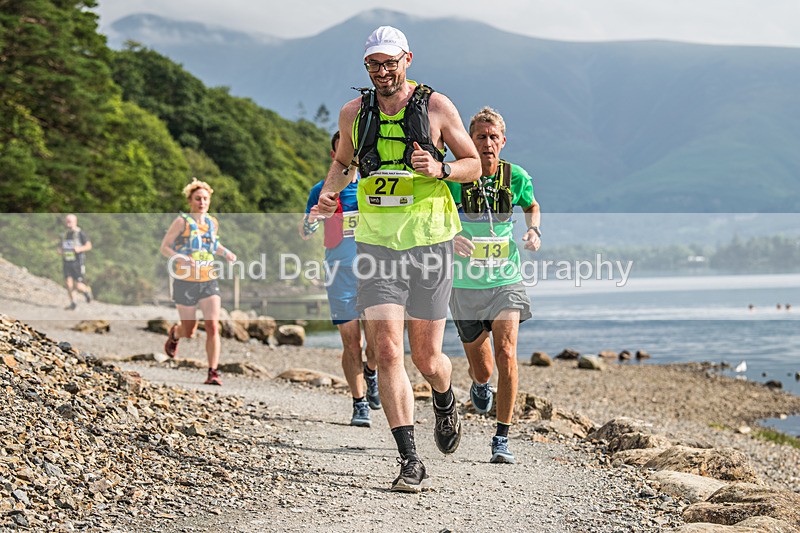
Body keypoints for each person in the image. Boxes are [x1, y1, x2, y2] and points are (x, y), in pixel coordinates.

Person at [311, 26, 481, 492]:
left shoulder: (437, 107)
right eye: (373, 64)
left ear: (407, 59)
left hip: (429, 242)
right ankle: (409, 459)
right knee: (385, 349)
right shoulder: (354, 113)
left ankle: (445, 400)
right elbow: (344, 163)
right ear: (365, 67)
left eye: (390, 63)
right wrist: (328, 194)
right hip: (377, 244)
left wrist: (442, 168)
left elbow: (475, 164)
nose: (383, 72)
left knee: (427, 358)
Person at [446, 107, 541, 464]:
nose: (487, 143)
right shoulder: (454, 177)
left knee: (506, 353)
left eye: (493, 137)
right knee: (483, 368)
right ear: (470, 140)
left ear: (503, 140)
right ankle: (480, 384)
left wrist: (533, 229)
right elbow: (435, 218)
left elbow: (531, 205)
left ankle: (501, 438)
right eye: (480, 137)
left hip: (505, 280)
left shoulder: (514, 176)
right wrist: (452, 235)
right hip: (465, 285)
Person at [299, 131, 381, 427]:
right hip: (339, 275)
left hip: (373, 274)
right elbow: (305, 229)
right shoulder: (321, 191)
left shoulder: (374, 188)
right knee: (351, 343)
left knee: (375, 346)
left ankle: (371, 372)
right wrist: (312, 220)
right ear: (335, 156)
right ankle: (358, 403)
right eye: (343, 152)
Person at [160, 178, 237, 386]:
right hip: (185, 281)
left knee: (213, 325)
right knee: (189, 331)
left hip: (208, 279)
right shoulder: (181, 222)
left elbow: (213, 245)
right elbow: (165, 247)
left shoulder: (212, 222)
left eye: (205, 199)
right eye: (197, 199)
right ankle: (175, 334)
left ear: (209, 201)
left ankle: (213, 371)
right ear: (190, 201)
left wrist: (226, 253)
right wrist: (181, 258)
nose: (202, 202)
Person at [60, 214, 93, 310]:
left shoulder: (80, 233)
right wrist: (60, 251)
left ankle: (86, 291)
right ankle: (73, 303)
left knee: (78, 285)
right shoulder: (65, 234)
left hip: (77, 262)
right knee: (68, 283)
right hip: (67, 261)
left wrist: (79, 249)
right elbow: (62, 247)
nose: (68, 223)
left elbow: (89, 246)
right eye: (67, 221)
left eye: (69, 221)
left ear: (75, 222)